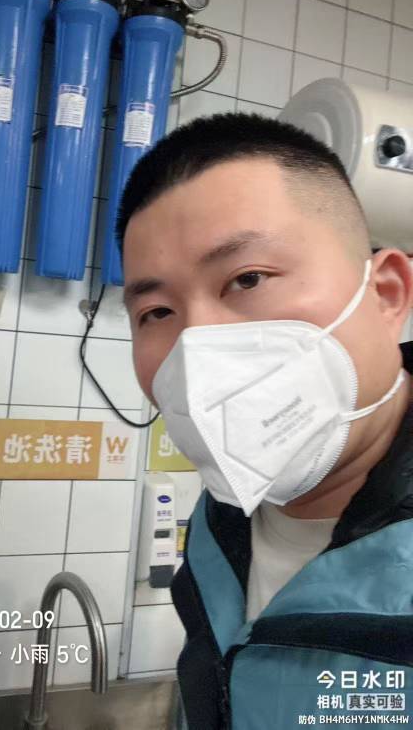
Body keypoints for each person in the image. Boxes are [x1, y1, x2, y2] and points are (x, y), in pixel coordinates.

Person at [115, 113, 413, 728]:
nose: (198, 346)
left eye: (248, 278)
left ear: (386, 294)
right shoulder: (221, 517)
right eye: (157, 312)